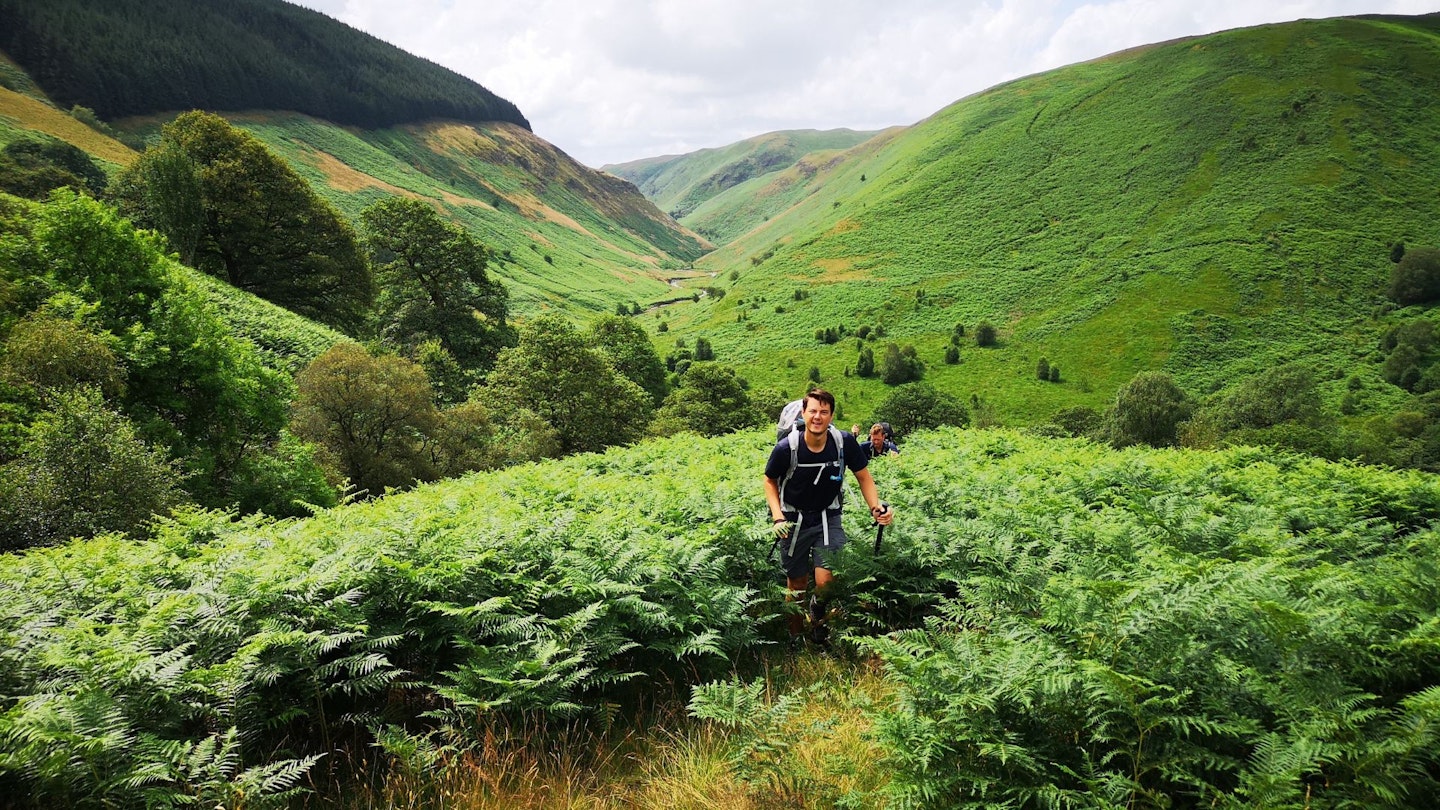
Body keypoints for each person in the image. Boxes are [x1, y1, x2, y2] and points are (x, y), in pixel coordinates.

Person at [764, 388, 893, 651]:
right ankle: (796, 636)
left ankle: (818, 623)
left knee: (826, 582)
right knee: (796, 584)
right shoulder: (787, 447)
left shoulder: (843, 442)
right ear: (804, 413)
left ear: (831, 415)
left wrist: (875, 507)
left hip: (828, 515)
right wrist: (778, 517)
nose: (817, 417)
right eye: (812, 411)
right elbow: (769, 481)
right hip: (793, 519)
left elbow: (864, 476)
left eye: (824, 412)